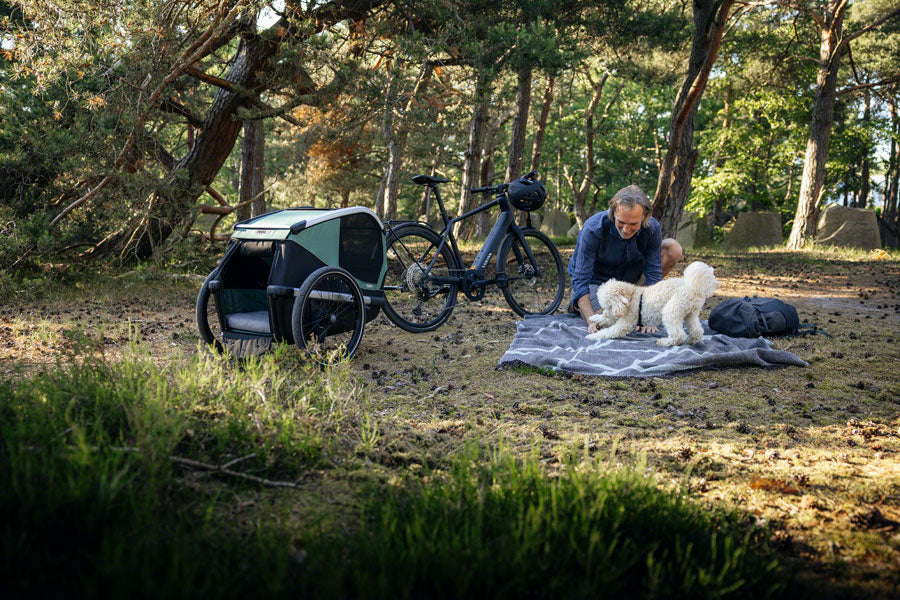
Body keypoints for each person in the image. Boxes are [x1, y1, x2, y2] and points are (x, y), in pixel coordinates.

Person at [567, 184, 683, 334]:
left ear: (644, 216)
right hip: (597, 284)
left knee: (673, 247)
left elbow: (654, 275)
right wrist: (591, 321)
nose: (626, 230)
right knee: (609, 321)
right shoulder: (593, 229)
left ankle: (634, 304)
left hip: (632, 284)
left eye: (633, 224)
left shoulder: (652, 229)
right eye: (621, 222)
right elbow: (580, 280)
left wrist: (647, 317)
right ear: (613, 213)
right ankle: (577, 304)